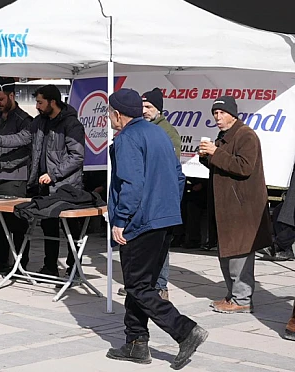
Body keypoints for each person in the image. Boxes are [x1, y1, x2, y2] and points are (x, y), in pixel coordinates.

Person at [105, 89, 207, 368]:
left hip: (140, 221)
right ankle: (136, 343)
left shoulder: (128, 137)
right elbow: (178, 175)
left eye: (109, 113)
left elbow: (131, 184)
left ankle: (185, 330)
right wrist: (168, 208)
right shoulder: (159, 132)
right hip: (163, 218)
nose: (109, 118)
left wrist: (121, 219)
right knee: (142, 284)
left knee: (138, 286)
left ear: (117, 114)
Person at [0, 84, 85, 276]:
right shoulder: (39, 122)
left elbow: (76, 156)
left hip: (66, 185)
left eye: (40, 102)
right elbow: (21, 138)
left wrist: (54, 174)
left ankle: (74, 267)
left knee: (70, 229)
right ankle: (50, 267)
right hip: (43, 185)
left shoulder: (71, 124)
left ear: (53, 102)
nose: (37, 106)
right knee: (48, 226)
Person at [199, 96, 272, 314]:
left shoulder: (246, 135)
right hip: (227, 206)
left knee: (240, 253)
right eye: (215, 113)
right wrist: (206, 157)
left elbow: (244, 167)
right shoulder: (225, 136)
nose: (217, 117)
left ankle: (242, 299)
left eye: (221, 113)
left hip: (243, 206)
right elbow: (222, 165)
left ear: (233, 113)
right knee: (227, 252)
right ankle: (233, 295)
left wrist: (215, 153)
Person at [118, 88, 181, 300]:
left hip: (154, 206)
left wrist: (169, 200)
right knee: (149, 257)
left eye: (149, 107)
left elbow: (172, 173)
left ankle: (157, 288)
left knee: (155, 253)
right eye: (142, 106)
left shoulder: (163, 133)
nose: (144, 111)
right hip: (156, 205)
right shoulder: (148, 131)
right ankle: (143, 290)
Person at [0, 80, 32, 273]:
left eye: (1, 99)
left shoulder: (24, 120)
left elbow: (26, 149)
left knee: (17, 223)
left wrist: (4, 164)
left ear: (12, 96)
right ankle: (0, 259)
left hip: (14, 178)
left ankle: (21, 264)